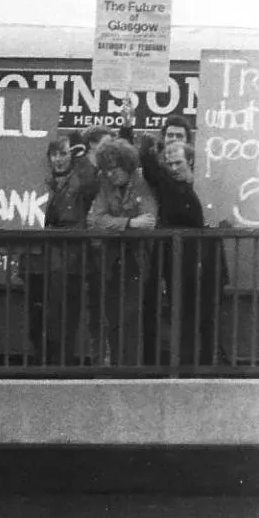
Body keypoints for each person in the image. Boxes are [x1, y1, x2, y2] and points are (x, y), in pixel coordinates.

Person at [137, 134, 223, 366]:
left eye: (178, 163)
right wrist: (128, 128)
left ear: (191, 162)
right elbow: (150, 168)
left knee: (194, 316)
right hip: (174, 261)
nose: (173, 168)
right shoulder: (170, 186)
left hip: (198, 264)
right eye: (170, 163)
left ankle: (194, 365)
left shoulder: (197, 188)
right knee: (177, 314)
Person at [86, 139, 158, 365]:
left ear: (127, 166)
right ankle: (118, 367)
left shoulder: (142, 182)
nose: (109, 174)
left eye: (114, 169)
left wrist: (116, 223)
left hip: (137, 260)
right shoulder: (106, 185)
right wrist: (129, 223)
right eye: (106, 169)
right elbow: (95, 220)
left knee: (131, 318)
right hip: (110, 261)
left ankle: (130, 370)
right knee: (113, 317)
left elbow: (149, 221)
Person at [31, 130, 99, 365]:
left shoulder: (79, 179)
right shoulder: (40, 180)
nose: (58, 159)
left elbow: (90, 180)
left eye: (63, 153)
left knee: (63, 318)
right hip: (39, 259)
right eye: (54, 154)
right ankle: (46, 364)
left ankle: (58, 367)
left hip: (68, 260)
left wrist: (79, 155)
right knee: (38, 317)